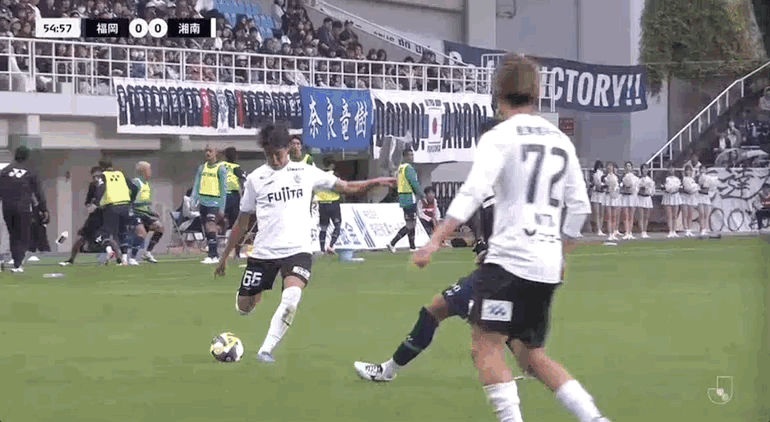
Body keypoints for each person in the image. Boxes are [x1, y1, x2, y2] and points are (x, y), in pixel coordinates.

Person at [412, 54, 609, 422]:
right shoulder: (560, 139)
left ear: (497, 92)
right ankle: (594, 418)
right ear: (537, 92)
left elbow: (472, 193)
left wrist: (434, 240)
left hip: (508, 262)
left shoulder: (499, 136)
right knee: (530, 355)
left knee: (485, 346)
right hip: (546, 265)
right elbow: (580, 206)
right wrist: (562, 253)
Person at [214, 123, 395, 363]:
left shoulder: (307, 172)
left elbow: (347, 187)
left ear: (288, 148)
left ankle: (265, 350)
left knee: (291, 297)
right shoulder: (256, 179)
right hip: (264, 252)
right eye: (269, 155)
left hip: (298, 250)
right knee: (244, 307)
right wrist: (224, 257)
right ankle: (250, 296)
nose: (275, 160)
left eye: (278, 154)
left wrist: (376, 181)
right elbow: (242, 220)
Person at [0, 146, 48, 273]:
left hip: (7, 207)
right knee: (23, 236)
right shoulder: (31, 172)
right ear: (27, 156)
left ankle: (15, 260)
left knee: (13, 235)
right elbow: (38, 192)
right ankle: (18, 264)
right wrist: (43, 209)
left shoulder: (5, 171)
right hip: (23, 208)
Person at [94, 159, 138, 266]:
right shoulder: (121, 175)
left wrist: (98, 203)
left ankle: (109, 251)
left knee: (105, 232)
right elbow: (134, 188)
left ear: (101, 168)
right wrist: (131, 199)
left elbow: (100, 189)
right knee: (123, 232)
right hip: (125, 206)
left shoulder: (103, 176)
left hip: (111, 206)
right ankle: (125, 259)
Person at [60, 166, 104, 266]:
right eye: (94, 176)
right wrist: (90, 205)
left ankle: (118, 258)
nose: (96, 178)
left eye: (98, 176)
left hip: (104, 214)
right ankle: (71, 259)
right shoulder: (92, 186)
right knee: (82, 236)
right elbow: (88, 200)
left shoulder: (105, 186)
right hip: (94, 215)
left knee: (107, 237)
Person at [191, 145, 228, 264]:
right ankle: (213, 255)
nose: (207, 153)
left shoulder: (220, 169)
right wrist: (193, 200)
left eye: (210, 151)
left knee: (210, 225)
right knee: (207, 229)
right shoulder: (202, 168)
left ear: (216, 152)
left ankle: (213, 255)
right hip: (203, 201)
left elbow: (223, 189)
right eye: (206, 151)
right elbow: (197, 185)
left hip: (214, 201)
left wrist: (222, 207)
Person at [387, 149, 424, 252]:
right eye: (409, 155)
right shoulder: (409, 168)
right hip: (409, 198)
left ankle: (412, 246)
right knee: (411, 224)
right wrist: (422, 195)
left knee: (411, 222)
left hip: (403, 198)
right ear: (405, 157)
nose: (411, 157)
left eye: (412, 155)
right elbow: (414, 183)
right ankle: (392, 243)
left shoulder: (401, 168)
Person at [129, 161, 164, 264]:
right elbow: (130, 199)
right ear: (143, 171)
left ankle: (147, 253)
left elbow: (145, 203)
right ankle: (132, 258)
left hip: (144, 213)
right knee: (142, 233)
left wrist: (151, 212)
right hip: (135, 212)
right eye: (149, 170)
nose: (151, 172)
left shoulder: (147, 184)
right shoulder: (135, 183)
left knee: (160, 228)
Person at [221, 147, 247, 256]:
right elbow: (243, 179)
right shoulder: (236, 167)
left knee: (221, 220)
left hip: (223, 195)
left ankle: (217, 245)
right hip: (232, 195)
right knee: (236, 223)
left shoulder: (221, 165)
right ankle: (237, 251)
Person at [315, 157, 342, 254]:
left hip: (322, 204)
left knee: (323, 228)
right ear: (332, 165)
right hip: (333, 203)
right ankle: (331, 246)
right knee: (337, 225)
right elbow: (340, 187)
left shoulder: (318, 175)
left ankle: (322, 249)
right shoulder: (335, 176)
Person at [620, 161, 638, 240]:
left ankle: (630, 232)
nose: (628, 168)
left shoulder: (635, 177)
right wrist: (625, 187)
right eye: (626, 166)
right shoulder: (622, 177)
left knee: (631, 216)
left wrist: (632, 188)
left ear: (632, 168)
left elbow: (636, 187)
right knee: (625, 215)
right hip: (625, 196)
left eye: (629, 166)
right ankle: (626, 231)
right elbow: (619, 187)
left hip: (632, 197)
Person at [662, 167, 682, 238]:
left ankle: (674, 230)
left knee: (675, 215)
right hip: (667, 196)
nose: (671, 170)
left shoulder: (677, 179)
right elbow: (663, 187)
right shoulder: (665, 178)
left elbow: (679, 187)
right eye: (670, 168)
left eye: (672, 168)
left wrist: (675, 189)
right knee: (669, 215)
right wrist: (668, 189)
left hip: (675, 196)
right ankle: (670, 231)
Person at [636, 163, 654, 238]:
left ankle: (645, 231)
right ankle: (641, 231)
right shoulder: (638, 179)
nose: (645, 170)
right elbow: (636, 189)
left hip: (647, 198)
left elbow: (652, 190)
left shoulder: (650, 180)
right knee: (641, 216)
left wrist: (648, 190)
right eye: (643, 168)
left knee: (646, 216)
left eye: (646, 168)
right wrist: (640, 189)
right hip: (640, 197)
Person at [681, 166, 699, 237]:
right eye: (687, 170)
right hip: (685, 197)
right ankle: (685, 229)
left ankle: (689, 229)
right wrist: (688, 190)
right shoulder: (684, 179)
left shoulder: (693, 179)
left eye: (689, 170)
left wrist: (694, 190)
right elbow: (684, 188)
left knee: (690, 214)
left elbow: (695, 187)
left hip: (691, 197)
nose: (688, 172)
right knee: (685, 214)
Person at [604, 162, 620, 241]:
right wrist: (607, 188)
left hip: (614, 197)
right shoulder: (605, 177)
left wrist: (615, 190)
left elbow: (617, 186)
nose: (609, 168)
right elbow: (603, 187)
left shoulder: (615, 177)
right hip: (608, 197)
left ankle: (613, 233)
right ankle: (610, 233)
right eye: (608, 166)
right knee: (609, 216)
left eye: (611, 166)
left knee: (614, 216)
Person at [590, 160, 606, 236]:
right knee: (597, 213)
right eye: (599, 167)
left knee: (601, 213)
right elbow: (592, 184)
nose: (600, 168)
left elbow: (604, 184)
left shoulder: (603, 175)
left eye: (601, 167)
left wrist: (603, 186)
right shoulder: (594, 174)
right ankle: (598, 229)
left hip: (602, 195)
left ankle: (600, 229)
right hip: (595, 194)